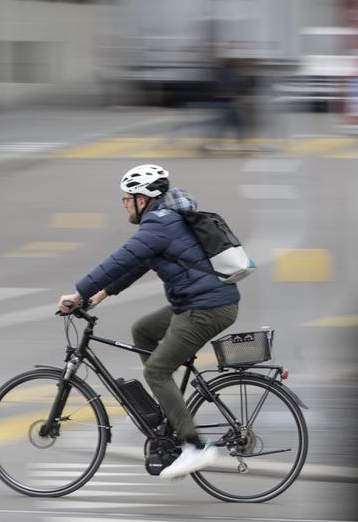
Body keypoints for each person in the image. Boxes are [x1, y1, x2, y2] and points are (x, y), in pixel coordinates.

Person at [58, 164, 239, 478]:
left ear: (143, 199)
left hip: (205, 308)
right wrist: (103, 293)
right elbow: (140, 263)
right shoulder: (165, 220)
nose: (125, 204)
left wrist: (78, 293)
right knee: (143, 330)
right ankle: (168, 408)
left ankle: (196, 447)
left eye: (127, 198)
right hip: (201, 302)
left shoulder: (158, 225)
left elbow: (121, 258)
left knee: (157, 370)